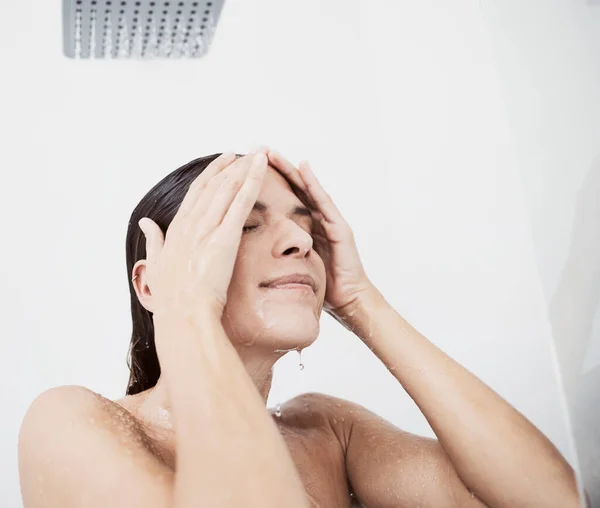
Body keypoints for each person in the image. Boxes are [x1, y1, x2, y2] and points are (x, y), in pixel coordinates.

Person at [18, 148, 583, 508]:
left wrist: (362, 303)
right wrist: (185, 310)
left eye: (305, 226)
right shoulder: (70, 421)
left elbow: (551, 500)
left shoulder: (325, 430)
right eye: (244, 224)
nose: (301, 241)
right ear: (151, 284)